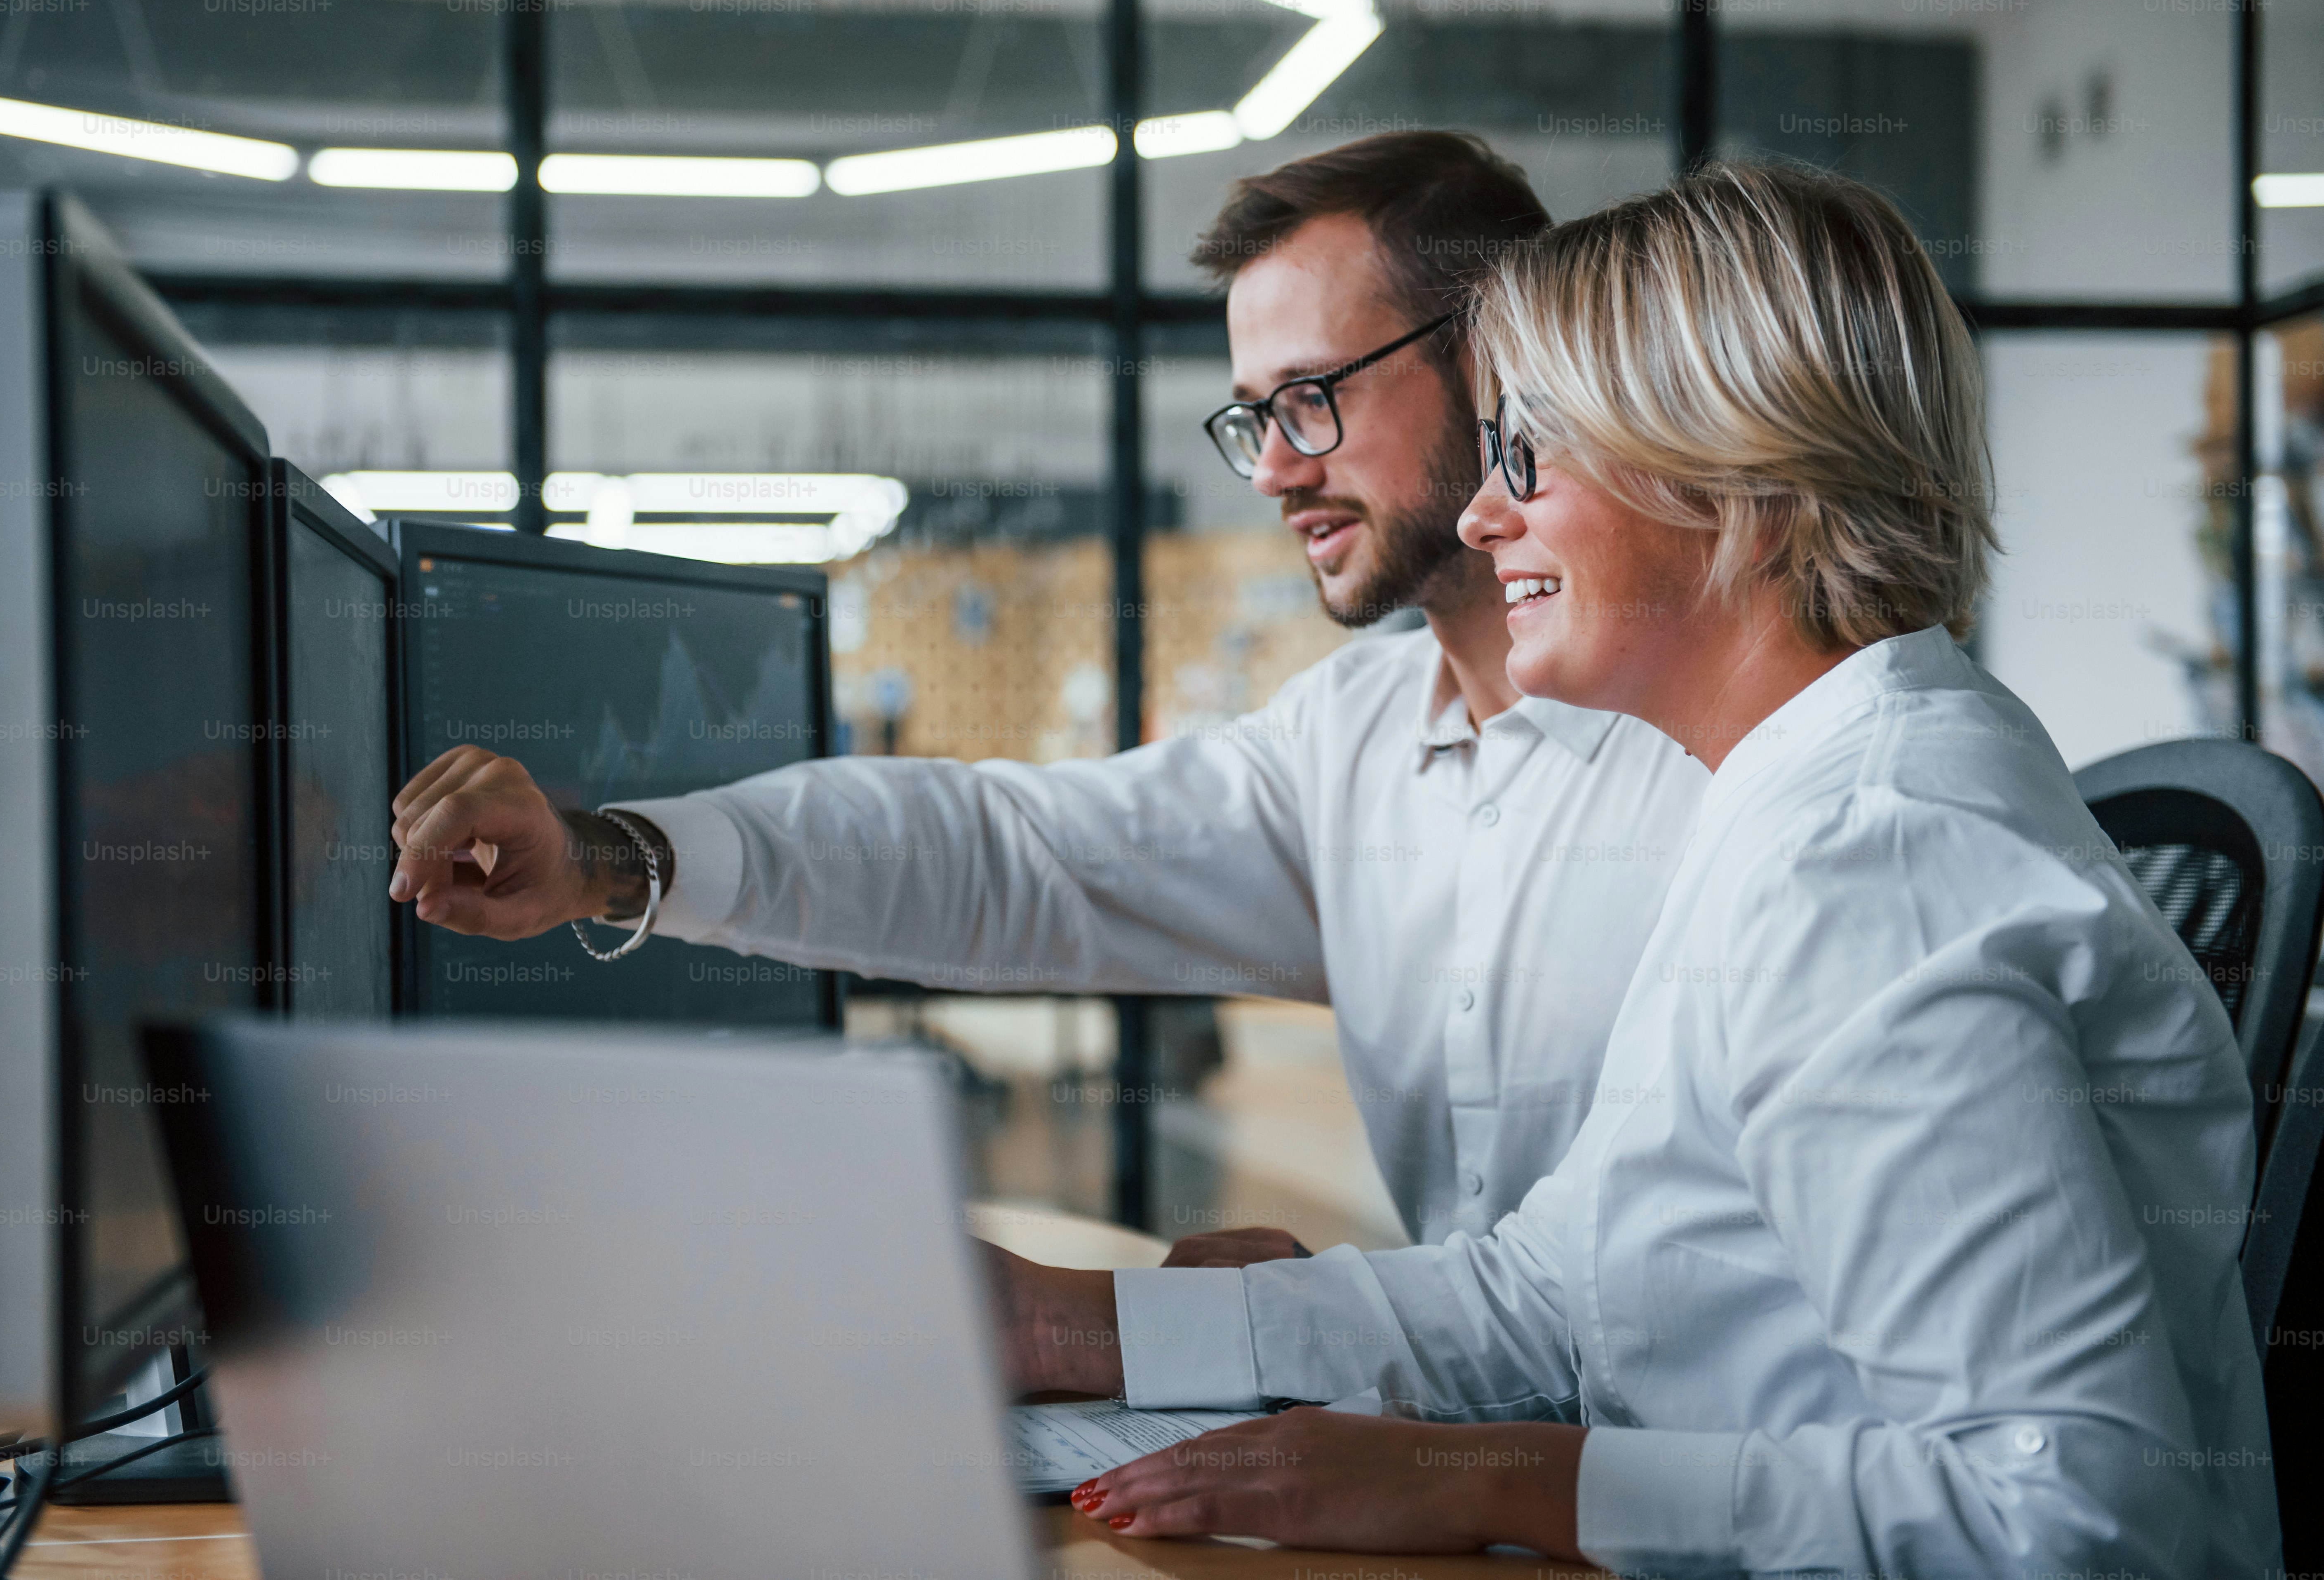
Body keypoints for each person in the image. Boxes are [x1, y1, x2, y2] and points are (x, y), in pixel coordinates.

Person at [996, 161, 2279, 1576]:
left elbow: (2077, 1522)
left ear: (1733, 467)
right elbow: (1553, 1290)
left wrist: (1500, 1485)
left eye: (1529, 456)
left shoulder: (1874, 856)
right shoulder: (1781, 798)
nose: (1481, 520)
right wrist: (1079, 1327)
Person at [388, 132, 1709, 1259]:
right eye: (1253, 417)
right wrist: (609, 859)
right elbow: (1010, 851)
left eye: (1310, 398)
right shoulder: (1349, 741)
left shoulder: (1724, 753)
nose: (1271, 471)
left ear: (1495, 364)